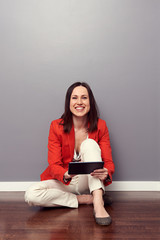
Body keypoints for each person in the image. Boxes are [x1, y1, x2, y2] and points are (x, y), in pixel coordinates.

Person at [25, 82, 115, 226]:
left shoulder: (101, 125)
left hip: (91, 179)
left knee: (90, 143)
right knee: (31, 194)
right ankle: (85, 199)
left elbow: (108, 162)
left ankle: (98, 204)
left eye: (84, 98)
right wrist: (65, 174)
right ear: (69, 102)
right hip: (67, 180)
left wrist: (106, 172)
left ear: (90, 102)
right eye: (75, 98)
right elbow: (54, 164)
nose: (79, 102)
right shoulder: (56, 126)